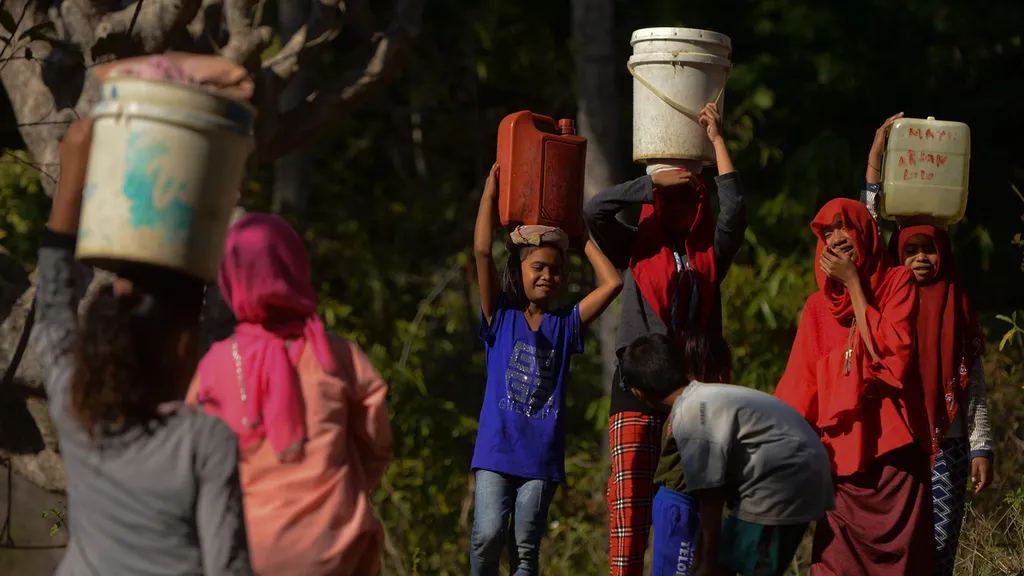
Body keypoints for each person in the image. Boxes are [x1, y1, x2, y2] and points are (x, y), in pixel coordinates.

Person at [36, 119, 251, 574]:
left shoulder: (76, 411)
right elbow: (226, 566)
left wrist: (73, 168)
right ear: (177, 350)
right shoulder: (202, 441)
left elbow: (52, 309)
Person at [583, 102, 748, 576]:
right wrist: (652, 185)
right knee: (629, 511)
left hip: (691, 396)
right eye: (668, 199)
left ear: (699, 199)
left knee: (688, 513)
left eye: (687, 196)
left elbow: (735, 210)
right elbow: (595, 211)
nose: (677, 207)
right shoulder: (637, 243)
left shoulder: (710, 253)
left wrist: (716, 141)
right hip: (636, 390)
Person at [187, 213, 393, 576]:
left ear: (231, 280)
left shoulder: (212, 367)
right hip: (334, 553)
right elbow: (376, 448)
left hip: (241, 553)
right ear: (296, 268)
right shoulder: (339, 357)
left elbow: (190, 466)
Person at [470, 162, 623, 575]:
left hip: (541, 459)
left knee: (525, 550)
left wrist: (580, 238)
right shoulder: (499, 316)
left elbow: (612, 284)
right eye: (538, 267)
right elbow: (482, 251)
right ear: (519, 271)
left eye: (556, 270)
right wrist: (489, 192)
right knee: (486, 539)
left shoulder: (564, 325)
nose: (547, 276)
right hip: (495, 452)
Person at [863, 113, 995, 576]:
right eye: (912, 250)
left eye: (929, 249)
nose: (921, 258)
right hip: (897, 442)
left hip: (950, 444)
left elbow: (972, 383)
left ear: (944, 252)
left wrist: (981, 447)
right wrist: (878, 152)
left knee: (939, 551)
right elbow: (869, 223)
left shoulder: (957, 305)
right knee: (897, 549)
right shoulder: (888, 292)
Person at [774, 197, 934, 575]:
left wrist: (853, 283)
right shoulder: (816, 308)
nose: (835, 237)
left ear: (864, 232)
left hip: (894, 466)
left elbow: (892, 357)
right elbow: (800, 389)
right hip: (840, 471)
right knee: (832, 567)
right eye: (826, 232)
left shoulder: (898, 282)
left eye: (843, 226)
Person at [621, 333, 834, 576]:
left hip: (782, 481)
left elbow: (711, 499)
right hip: (797, 472)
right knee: (724, 565)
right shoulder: (708, 395)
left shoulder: (690, 416)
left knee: (730, 567)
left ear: (638, 392)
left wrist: (706, 562)